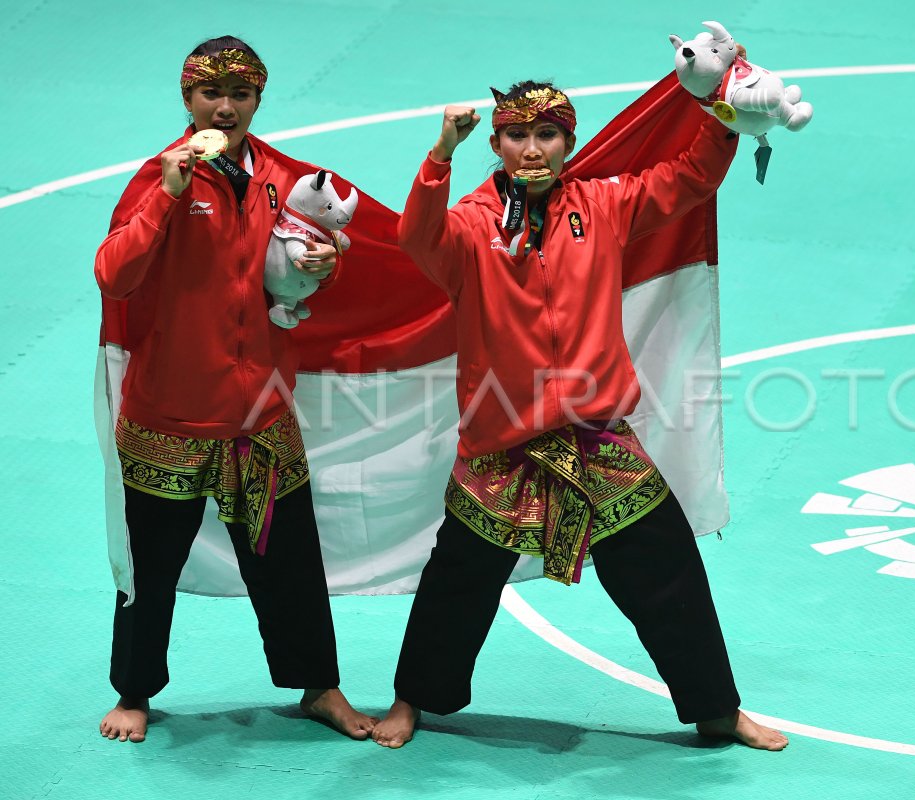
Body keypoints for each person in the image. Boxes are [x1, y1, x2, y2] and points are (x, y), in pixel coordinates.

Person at [372, 79, 788, 751]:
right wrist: (439, 157)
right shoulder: (474, 224)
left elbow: (690, 179)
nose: (531, 150)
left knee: (668, 565)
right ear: (496, 142)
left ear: (569, 142)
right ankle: (413, 699)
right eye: (516, 136)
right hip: (503, 446)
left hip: (598, 442)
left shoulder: (604, 204)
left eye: (547, 136)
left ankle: (717, 709)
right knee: (457, 580)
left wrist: (724, 114)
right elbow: (417, 238)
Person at [94, 36, 376, 743]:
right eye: (210, 94)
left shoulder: (284, 176)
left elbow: (301, 268)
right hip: (171, 414)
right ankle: (134, 693)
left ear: (258, 98)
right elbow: (113, 276)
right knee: (150, 570)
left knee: (289, 567)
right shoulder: (155, 179)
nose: (226, 107)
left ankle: (320, 688)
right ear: (187, 99)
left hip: (261, 415)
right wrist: (167, 194)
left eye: (241, 94)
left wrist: (324, 262)